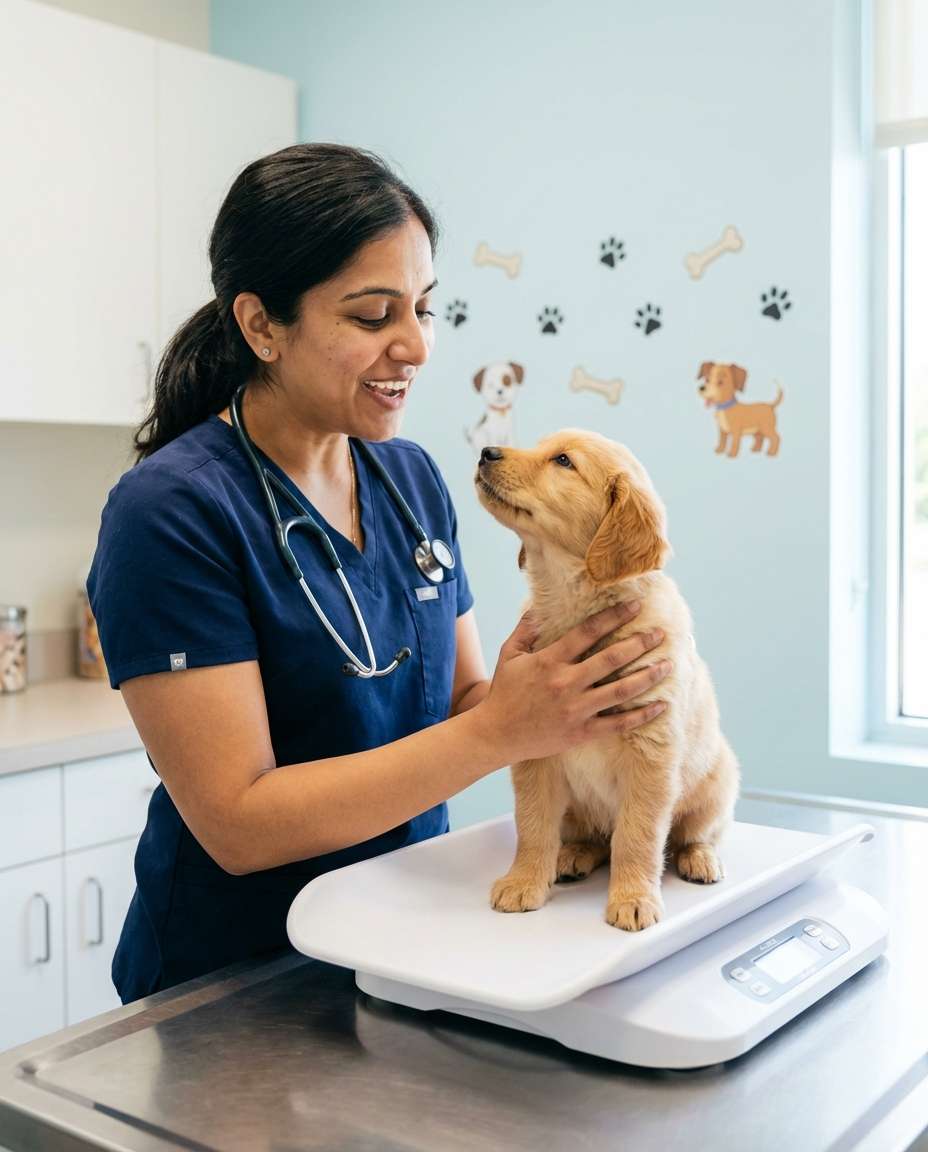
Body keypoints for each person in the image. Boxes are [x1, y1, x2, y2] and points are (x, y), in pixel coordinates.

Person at [88, 142, 671, 1004]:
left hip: (402, 940)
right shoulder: (169, 514)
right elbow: (237, 823)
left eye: (425, 309)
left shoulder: (413, 481)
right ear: (261, 327)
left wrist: (564, 694)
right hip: (235, 980)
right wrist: (500, 730)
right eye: (372, 317)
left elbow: (467, 701)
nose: (416, 347)